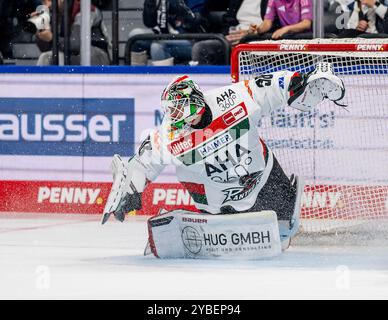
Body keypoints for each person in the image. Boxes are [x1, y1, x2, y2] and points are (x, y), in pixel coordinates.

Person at [102, 62, 346, 258]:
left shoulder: (236, 97)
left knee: (285, 229)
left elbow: (276, 86)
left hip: (261, 179)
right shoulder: (169, 135)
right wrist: (131, 189)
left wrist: (306, 83)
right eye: (170, 110)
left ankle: (273, 206)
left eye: (176, 108)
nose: (172, 115)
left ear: (192, 101)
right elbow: (144, 161)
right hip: (217, 202)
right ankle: (213, 218)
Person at [128, 0, 209, 66]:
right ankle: (137, 77)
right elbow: (149, 23)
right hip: (164, 34)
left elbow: (196, 23)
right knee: (135, 35)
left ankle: (163, 81)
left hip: (190, 40)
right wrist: (150, 3)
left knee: (157, 46)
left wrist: (178, 6)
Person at [191, 0, 269, 65]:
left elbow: (274, 24)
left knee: (246, 48)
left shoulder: (273, 1)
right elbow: (229, 20)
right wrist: (227, 35)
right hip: (236, 34)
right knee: (201, 48)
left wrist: (250, 34)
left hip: (259, 37)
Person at [34, 0, 111, 65]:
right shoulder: (54, 13)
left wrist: (52, 38)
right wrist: (40, 30)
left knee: (55, 56)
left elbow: (75, 45)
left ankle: (61, 81)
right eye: (43, 2)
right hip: (73, 54)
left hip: (99, 56)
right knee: (48, 56)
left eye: (49, 0)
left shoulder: (85, 10)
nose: (47, 5)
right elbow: (45, 49)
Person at [249, 0, 313, 40]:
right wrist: (258, 29)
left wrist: (286, 29)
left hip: (307, 40)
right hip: (287, 39)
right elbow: (267, 22)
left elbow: (307, 24)